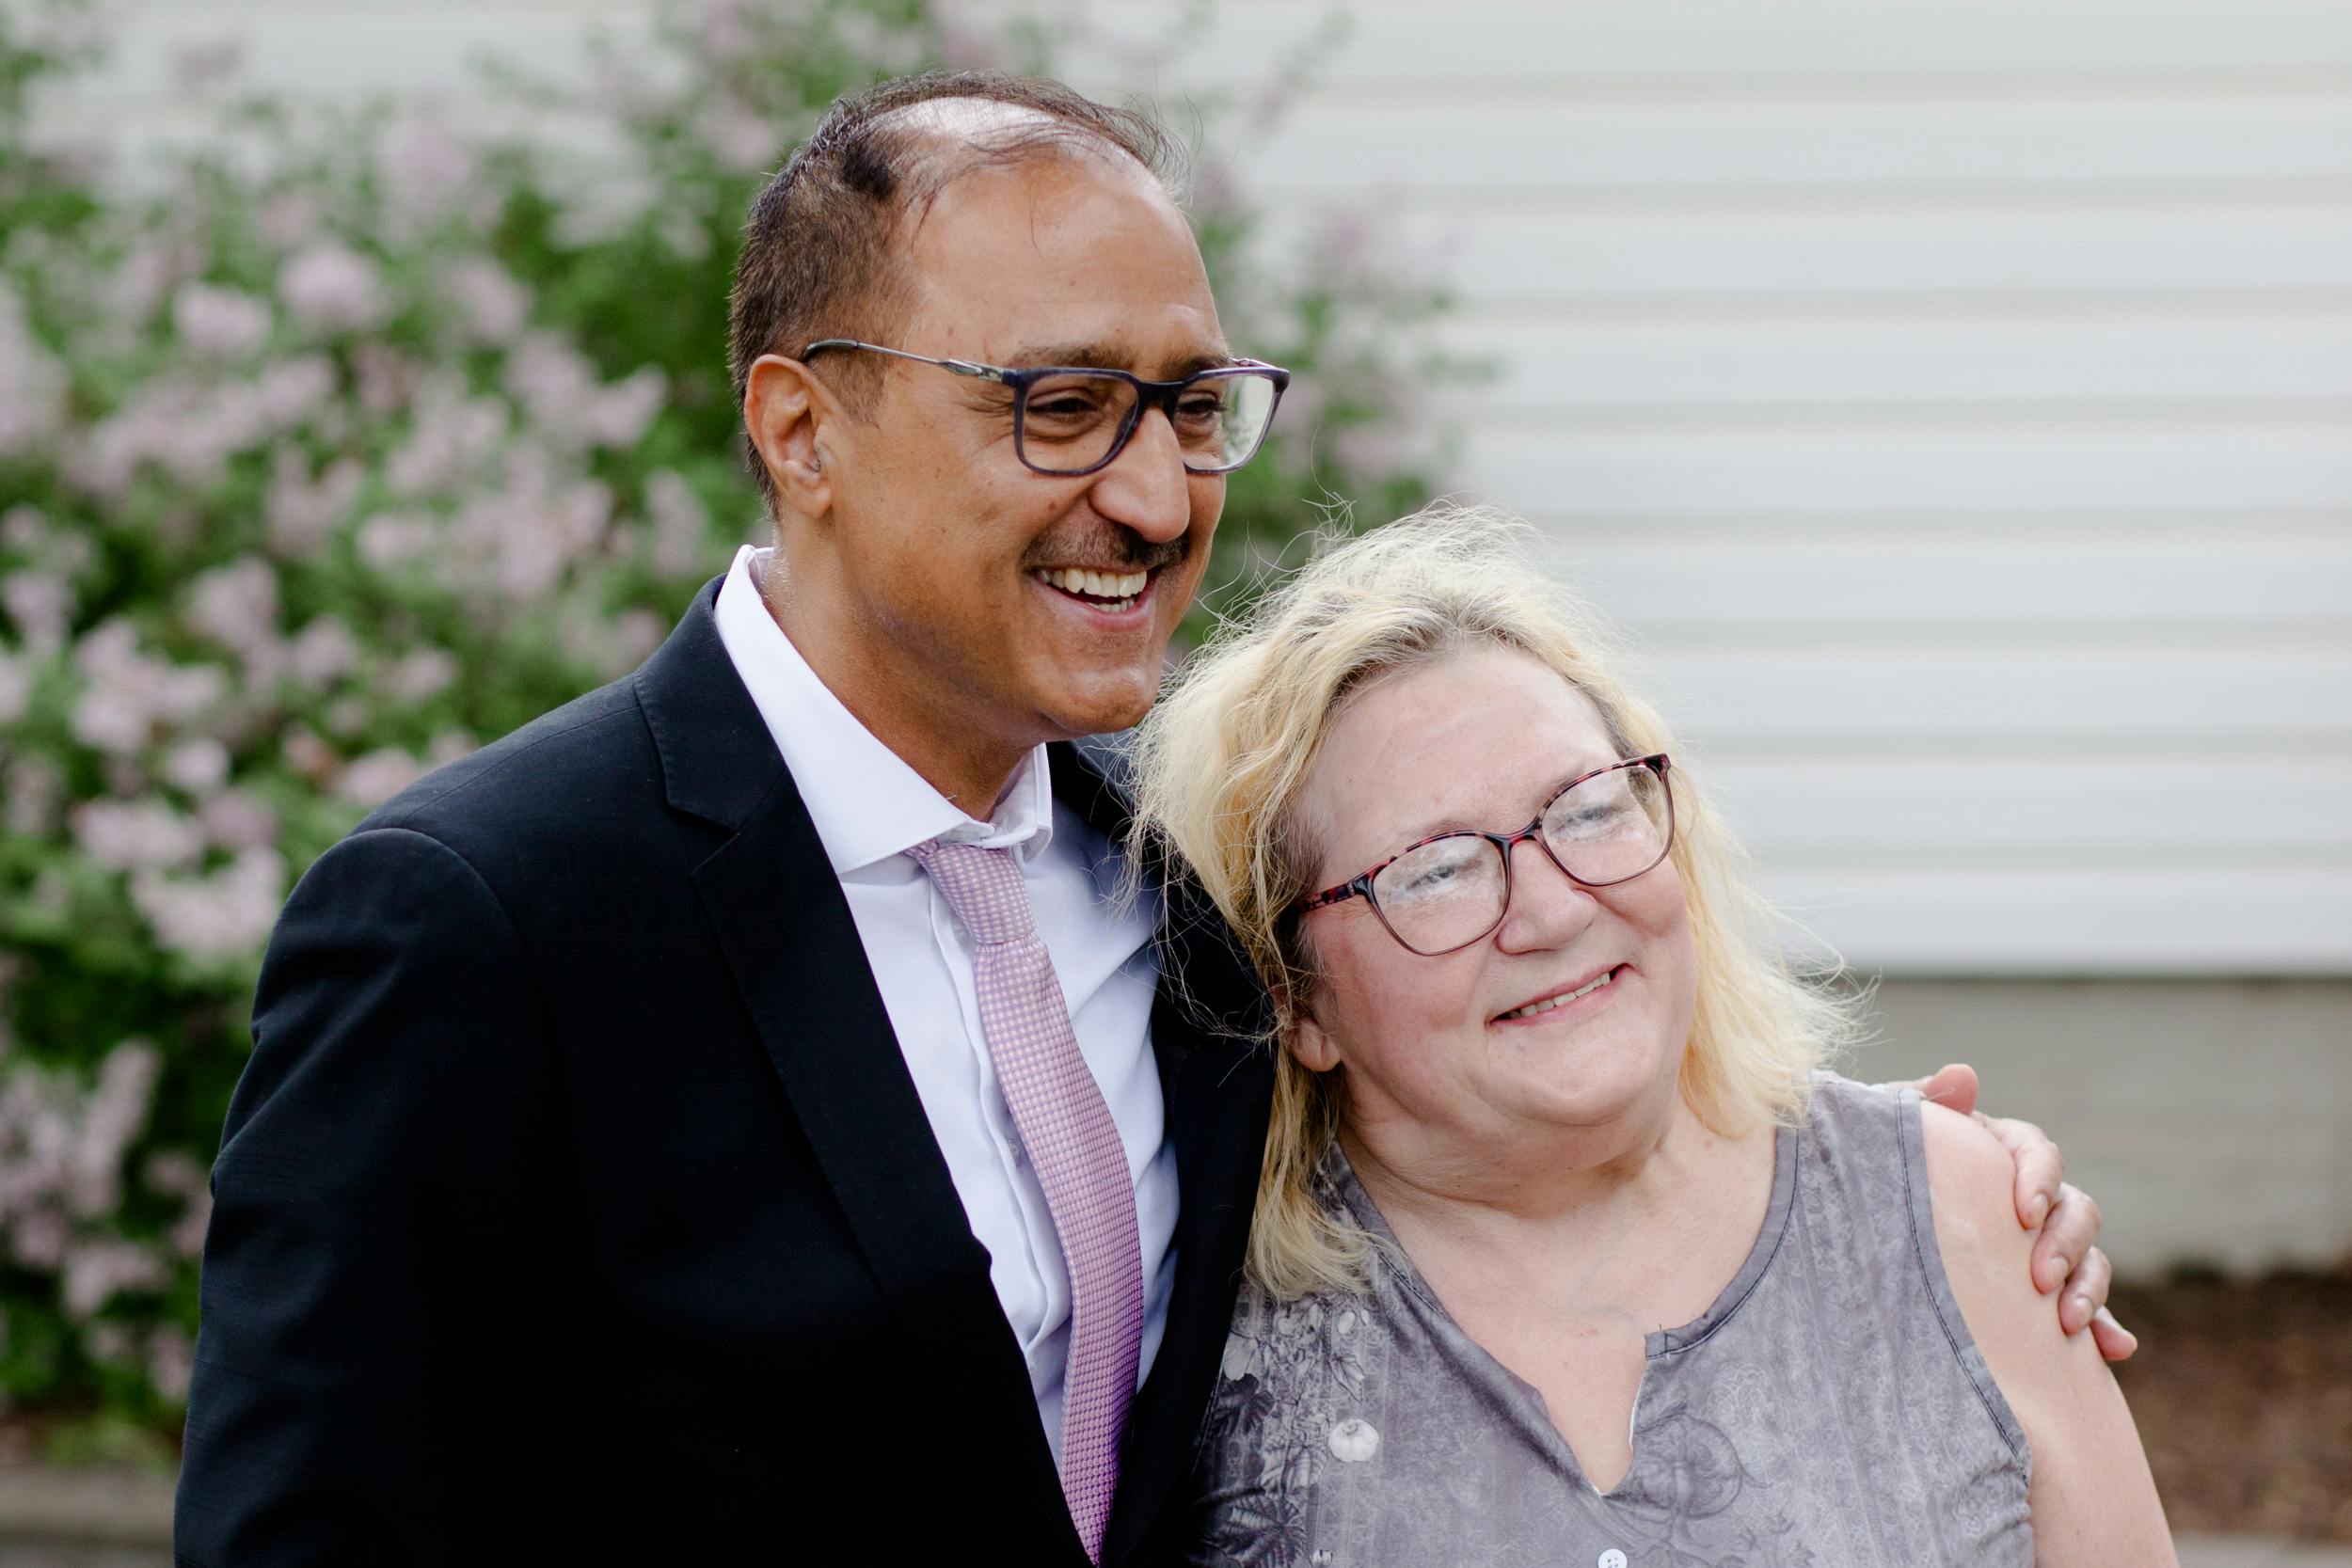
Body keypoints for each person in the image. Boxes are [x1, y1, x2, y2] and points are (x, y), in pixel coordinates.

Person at [173, 73, 2121, 1568]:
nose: (1153, 485)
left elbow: (1502, 1140)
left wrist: (1927, 1211)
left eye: (1191, 404)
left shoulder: (1191, 905)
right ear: (799, 430)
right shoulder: (484, 920)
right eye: (1059, 403)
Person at [1127, 507, 2175, 1566]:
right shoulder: (1193, 1334)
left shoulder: (1958, 1219)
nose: (1551, 910)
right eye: (1434, 868)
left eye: (1585, 808)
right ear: (1293, 1002)